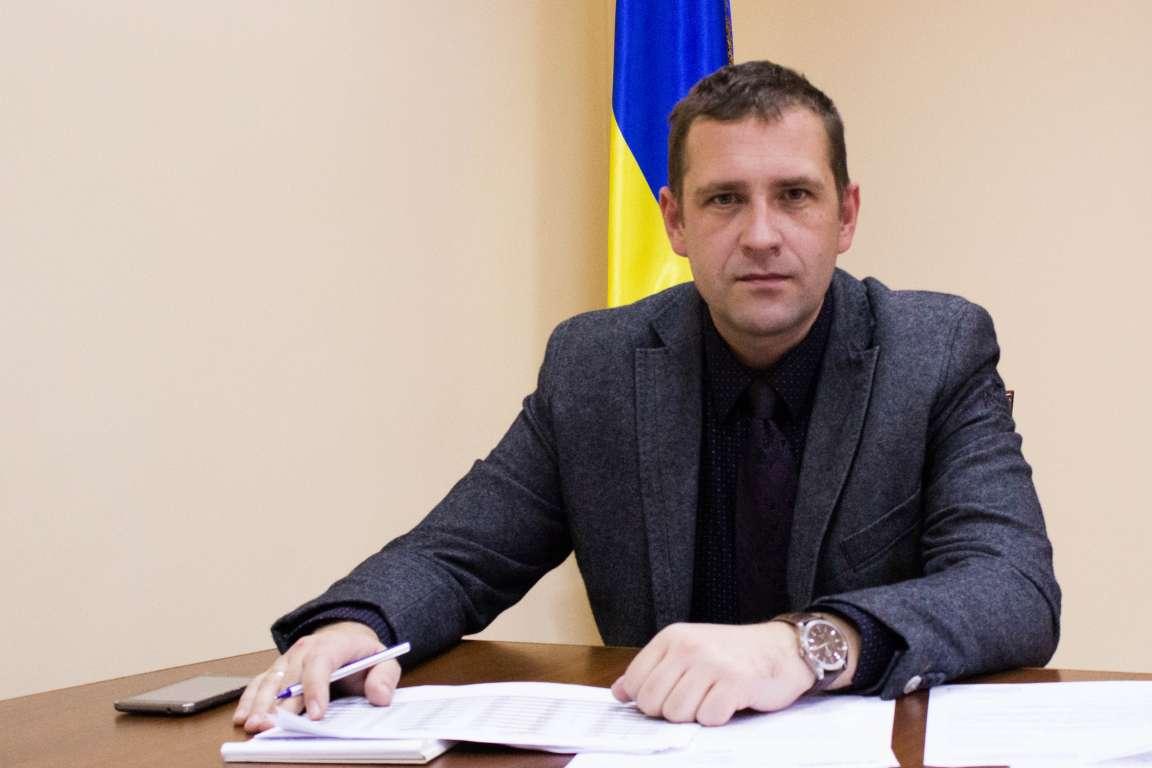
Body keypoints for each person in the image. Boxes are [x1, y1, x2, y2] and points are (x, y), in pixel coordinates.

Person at [235, 60, 1059, 732]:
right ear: (674, 222)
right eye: (724, 199)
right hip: (660, 746)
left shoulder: (935, 351)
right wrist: (360, 625)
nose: (761, 234)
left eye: (795, 195)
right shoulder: (595, 366)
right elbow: (457, 555)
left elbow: (1012, 587)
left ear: (845, 216)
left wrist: (804, 646)